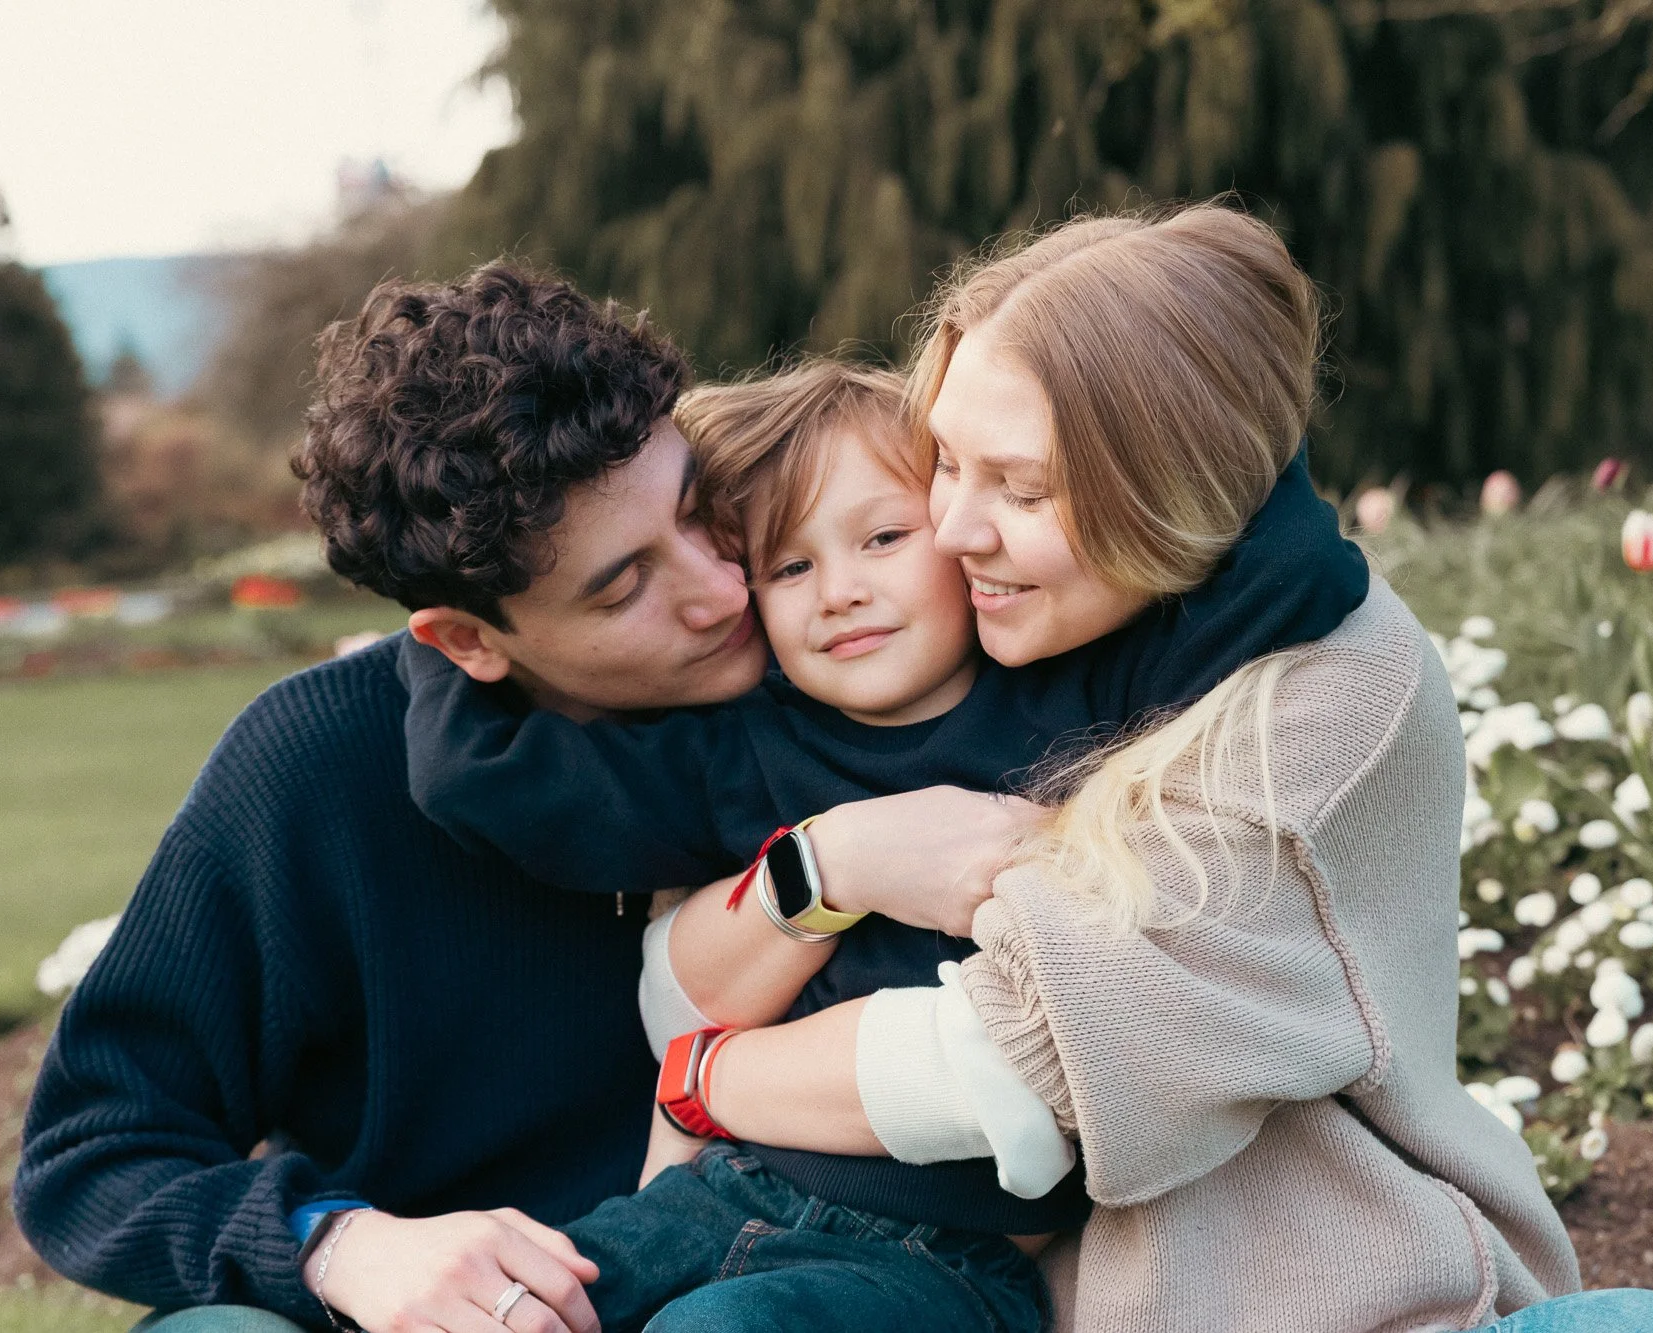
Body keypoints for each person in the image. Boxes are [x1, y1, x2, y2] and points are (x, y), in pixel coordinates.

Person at [628, 204, 1653, 1331]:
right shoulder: (999, 633)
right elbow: (670, 980)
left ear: (1161, 485)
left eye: (1019, 486)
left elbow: (1012, 1060)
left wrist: (705, 1080)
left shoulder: (1319, 685)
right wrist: (832, 859)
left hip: (1357, 1302)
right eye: (946, 465)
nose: (951, 528)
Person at [10, 265, 1034, 1333]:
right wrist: (345, 1244)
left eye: (699, 511)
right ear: (467, 643)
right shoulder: (314, 762)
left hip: (765, 1281)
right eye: (625, 584)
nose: (721, 589)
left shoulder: (851, 663)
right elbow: (97, 1147)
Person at [393, 255, 1367, 1323]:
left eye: (883, 537)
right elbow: (489, 782)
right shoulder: (741, 747)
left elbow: (1296, 575)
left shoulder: (1074, 689)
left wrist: (1179, 411)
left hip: (941, 1254)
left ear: (953, 530)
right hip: (725, 1188)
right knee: (515, 1308)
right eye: (790, 566)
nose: (842, 589)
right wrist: (452, 628)